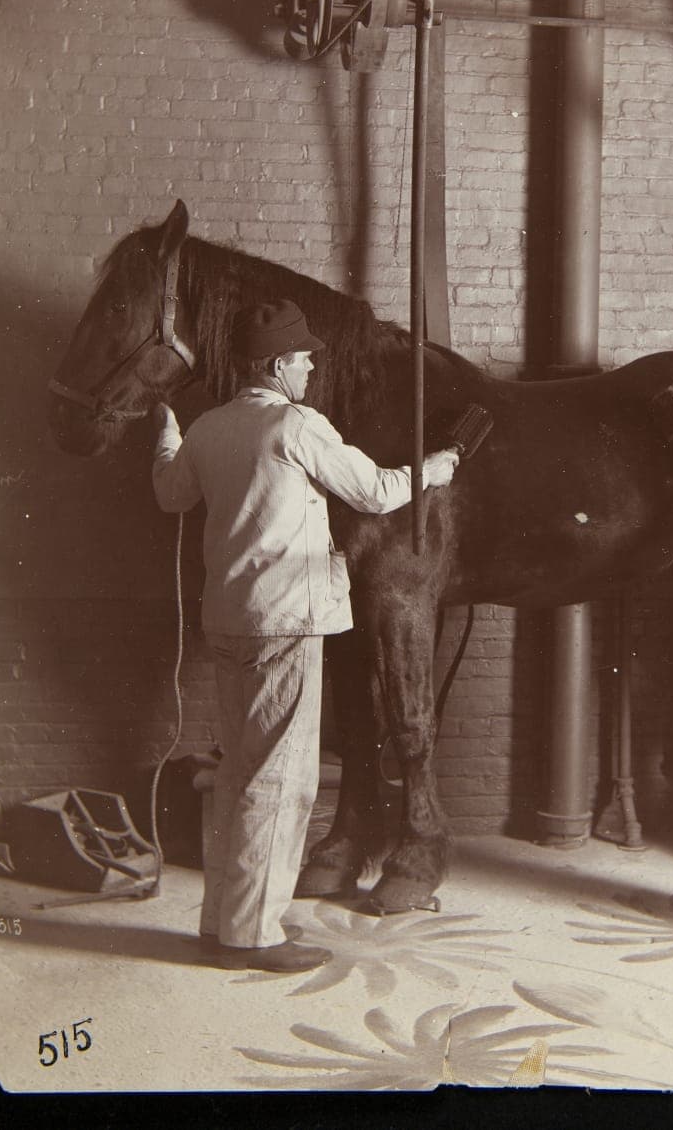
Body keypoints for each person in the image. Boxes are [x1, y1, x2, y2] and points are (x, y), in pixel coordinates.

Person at [151, 298, 459, 972]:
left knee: (238, 773)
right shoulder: (297, 424)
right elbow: (375, 492)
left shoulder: (208, 428)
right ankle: (253, 937)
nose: (314, 365)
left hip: (228, 620)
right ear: (276, 364)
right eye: (303, 357)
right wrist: (430, 473)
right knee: (280, 781)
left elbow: (171, 494)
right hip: (286, 622)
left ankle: (222, 921)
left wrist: (166, 433)